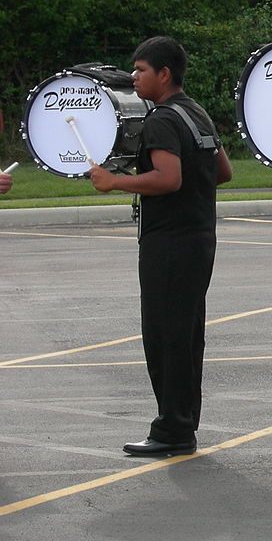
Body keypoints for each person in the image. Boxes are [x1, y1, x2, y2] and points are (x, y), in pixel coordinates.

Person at [88, 36, 232, 456]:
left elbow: (169, 179)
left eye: (140, 70)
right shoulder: (196, 112)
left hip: (168, 243)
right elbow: (221, 171)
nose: (133, 78)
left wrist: (115, 181)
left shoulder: (162, 120)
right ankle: (183, 424)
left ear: (163, 74)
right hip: (199, 238)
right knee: (186, 336)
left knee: (165, 336)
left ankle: (171, 429)